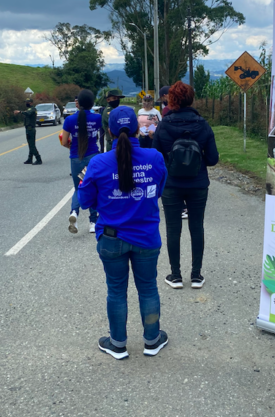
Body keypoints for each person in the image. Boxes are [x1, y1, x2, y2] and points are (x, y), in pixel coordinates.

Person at [78, 106, 169, 360]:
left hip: (111, 238)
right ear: (139, 130)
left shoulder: (97, 163)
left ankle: (117, 343)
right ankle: (152, 339)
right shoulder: (155, 158)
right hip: (146, 237)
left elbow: (85, 201)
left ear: (109, 132)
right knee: (148, 288)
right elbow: (160, 189)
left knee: (116, 291)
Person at [152, 81, 218, 289]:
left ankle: (176, 275)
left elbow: (155, 157)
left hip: (171, 184)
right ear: (191, 99)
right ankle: (196, 276)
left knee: (173, 229)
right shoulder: (203, 124)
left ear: (171, 100)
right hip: (198, 183)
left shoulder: (164, 125)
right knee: (197, 227)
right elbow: (213, 158)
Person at [60, 90, 101, 234]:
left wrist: (71, 147)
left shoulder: (69, 120)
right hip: (92, 158)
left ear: (78, 103)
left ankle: (74, 213)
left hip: (76, 158)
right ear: (92, 103)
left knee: (78, 188)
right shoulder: (97, 118)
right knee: (93, 188)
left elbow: (64, 141)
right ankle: (93, 222)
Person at [15, 97, 42, 165]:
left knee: (32, 145)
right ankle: (30, 159)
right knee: (30, 145)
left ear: (31, 103)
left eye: (28, 102)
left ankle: (38, 159)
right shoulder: (28, 109)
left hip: (31, 129)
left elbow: (28, 113)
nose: (26, 103)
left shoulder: (33, 109)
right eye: (26, 102)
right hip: (28, 129)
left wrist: (20, 112)